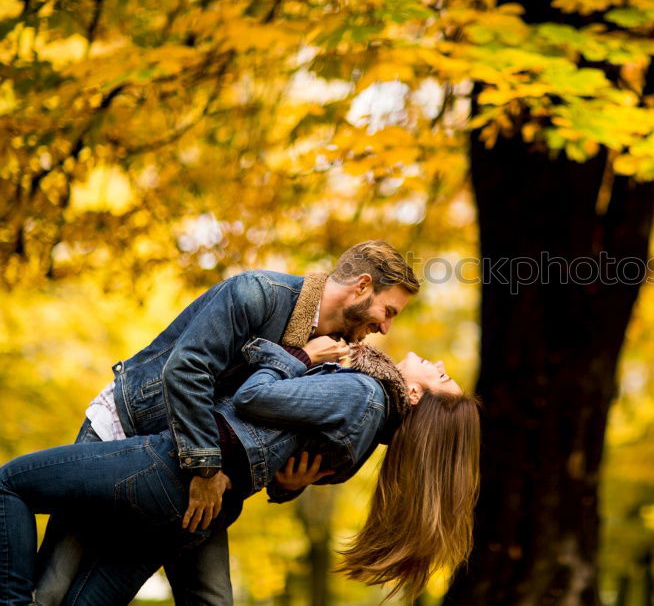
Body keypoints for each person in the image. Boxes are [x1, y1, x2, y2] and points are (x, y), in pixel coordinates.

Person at [33, 240, 420, 605]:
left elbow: (274, 432)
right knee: (49, 589)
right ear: (362, 286)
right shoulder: (258, 293)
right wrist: (206, 469)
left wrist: (289, 483)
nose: (386, 328)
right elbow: (186, 372)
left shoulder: (336, 355)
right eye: (388, 312)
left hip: (193, 481)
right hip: (130, 429)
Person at [0, 337, 479, 605]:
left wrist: (298, 356)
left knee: (9, 484)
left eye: (441, 376)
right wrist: (289, 489)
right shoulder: (368, 431)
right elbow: (284, 457)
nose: (437, 362)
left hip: (174, 470)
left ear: (415, 397)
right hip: (204, 512)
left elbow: (254, 399)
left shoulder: (364, 395)